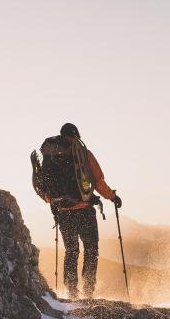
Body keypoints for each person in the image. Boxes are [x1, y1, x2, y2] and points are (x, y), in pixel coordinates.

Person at [44, 123, 121, 299]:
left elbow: (46, 190)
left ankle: (71, 291)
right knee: (91, 250)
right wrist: (112, 197)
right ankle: (88, 291)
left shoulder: (51, 156)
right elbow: (98, 181)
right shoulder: (83, 153)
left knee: (71, 251)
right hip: (85, 210)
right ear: (76, 135)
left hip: (63, 212)